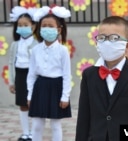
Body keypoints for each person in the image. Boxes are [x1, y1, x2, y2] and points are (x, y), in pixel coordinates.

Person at [75, 16, 128, 141]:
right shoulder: (88, 75)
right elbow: (83, 117)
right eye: (102, 38)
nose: (107, 42)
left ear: (127, 46)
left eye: (114, 38)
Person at [26, 6, 72, 141]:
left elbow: (66, 75)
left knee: (56, 124)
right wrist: (29, 94)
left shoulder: (63, 50)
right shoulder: (35, 50)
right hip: (40, 87)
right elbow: (32, 74)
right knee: (37, 124)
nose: (47, 28)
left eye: (50, 26)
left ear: (58, 29)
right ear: (40, 29)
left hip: (56, 87)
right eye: (43, 26)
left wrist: (65, 96)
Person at [8, 6, 38, 141]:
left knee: (33, 103)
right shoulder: (15, 44)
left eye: (25, 25)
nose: (22, 27)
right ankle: (26, 132)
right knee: (22, 104)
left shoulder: (37, 44)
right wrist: (11, 81)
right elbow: (11, 63)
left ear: (33, 26)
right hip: (20, 75)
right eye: (19, 25)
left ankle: (35, 131)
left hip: (32, 76)